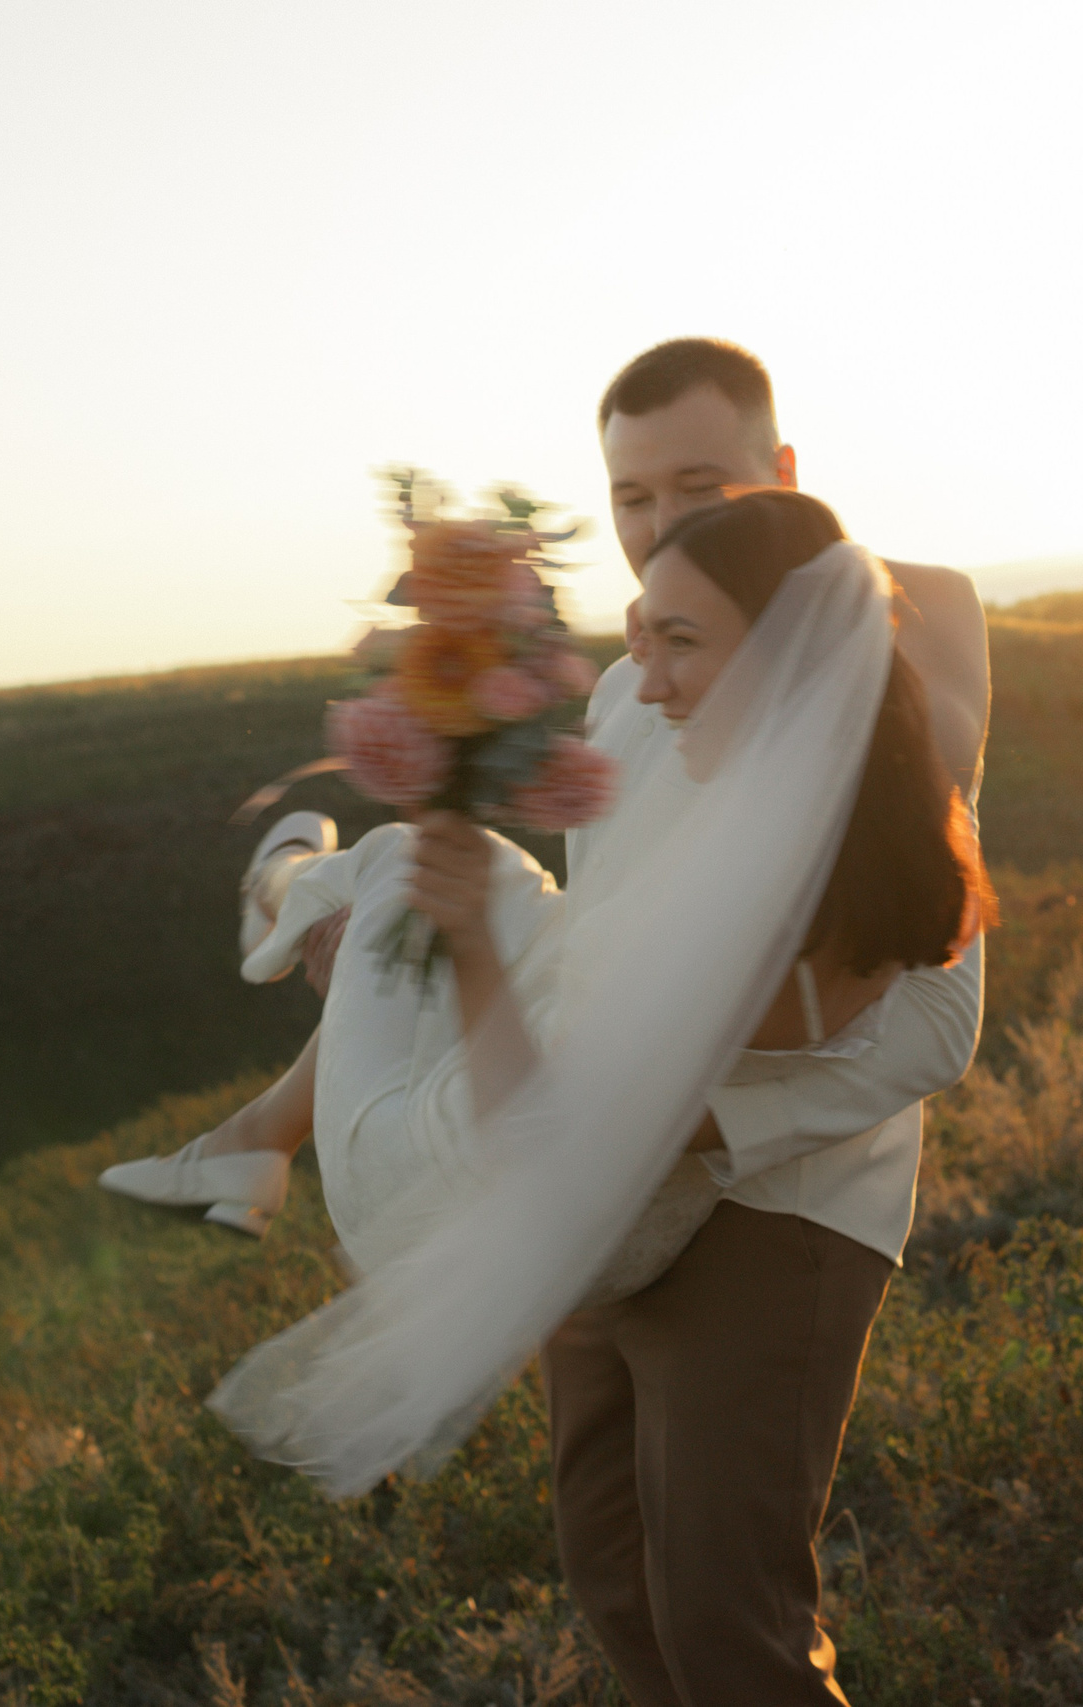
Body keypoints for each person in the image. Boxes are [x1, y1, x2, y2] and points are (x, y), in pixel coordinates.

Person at [103, 341, 995, 1702]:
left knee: (726, 1615)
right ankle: (290, 985)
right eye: (631, 498)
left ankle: (286, 935)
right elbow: (601, 948)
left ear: (781, 474)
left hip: (771, 1199)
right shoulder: (637, 690)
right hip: (603, 1171)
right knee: (615, 1578)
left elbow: (931, 1007)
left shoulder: (880, 663)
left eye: (700, 487)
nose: (659, 526)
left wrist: (670, 1098)